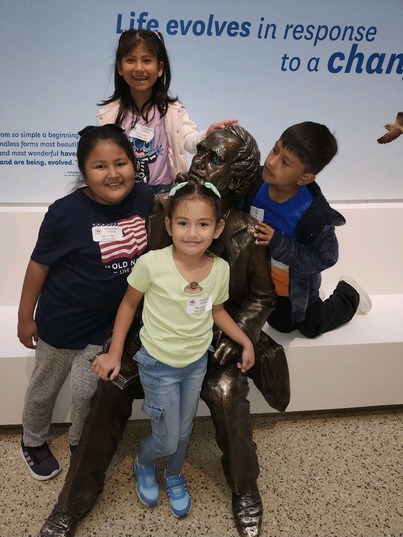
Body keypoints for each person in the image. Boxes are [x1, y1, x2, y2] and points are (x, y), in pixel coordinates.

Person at [38, 125, 290, 537]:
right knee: (112, 383)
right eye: (201, 152)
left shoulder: (246, 233)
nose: (201, 163)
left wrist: (236, 336)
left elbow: (261, 299)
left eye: (215, 158)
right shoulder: (160, 209)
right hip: (154, 339)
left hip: (212, 344)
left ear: (238, 175)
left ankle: (245, 489)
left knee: (228, 394)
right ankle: (72, 502)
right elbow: (134, 288)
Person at [92, 179, 255, 518]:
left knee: (184, 429)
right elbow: (127, 307)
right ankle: (144, 460)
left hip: (195, 363)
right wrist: (114, 353)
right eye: (182, 223)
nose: (192, 233)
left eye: (203, 224)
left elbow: (217, 311)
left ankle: (175, 474)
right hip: (157, 365)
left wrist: (244, 339)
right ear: (169, 225)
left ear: (218, 227)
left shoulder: (220, 269)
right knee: (166, 438)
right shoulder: (151, 264)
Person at [18, 124, 154, 481]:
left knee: (85, 390)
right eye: (100, 166)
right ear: (83, 171)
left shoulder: (145, 198)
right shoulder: (64, 213)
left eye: (121, 162)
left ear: (133, 163)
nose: (113, 174)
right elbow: (38, 266)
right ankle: (32, 440)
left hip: (106, 326)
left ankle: (80, 441)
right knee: (45, 387)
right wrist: (24, 317)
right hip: (61, 324)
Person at [250, 121, 372, 338]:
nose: (271, 162)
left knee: (310, 328)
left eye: (285, 162)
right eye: (275, 149)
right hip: (260, 281)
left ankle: (349, 294)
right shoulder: (253, 183)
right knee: (281, 326)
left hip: (292, 287)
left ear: (304, 178)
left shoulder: (314, 218)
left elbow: (326, 258)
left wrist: (279, 244)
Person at [96, 29, 236, 193]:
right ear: (120, 67)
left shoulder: (172, 111)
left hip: (164, 191)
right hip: (125, 192)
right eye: (130, 60)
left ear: (160, 68)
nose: (139, 68)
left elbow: (188, 140)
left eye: (147, 60)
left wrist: (206, 135)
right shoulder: (109, 116)